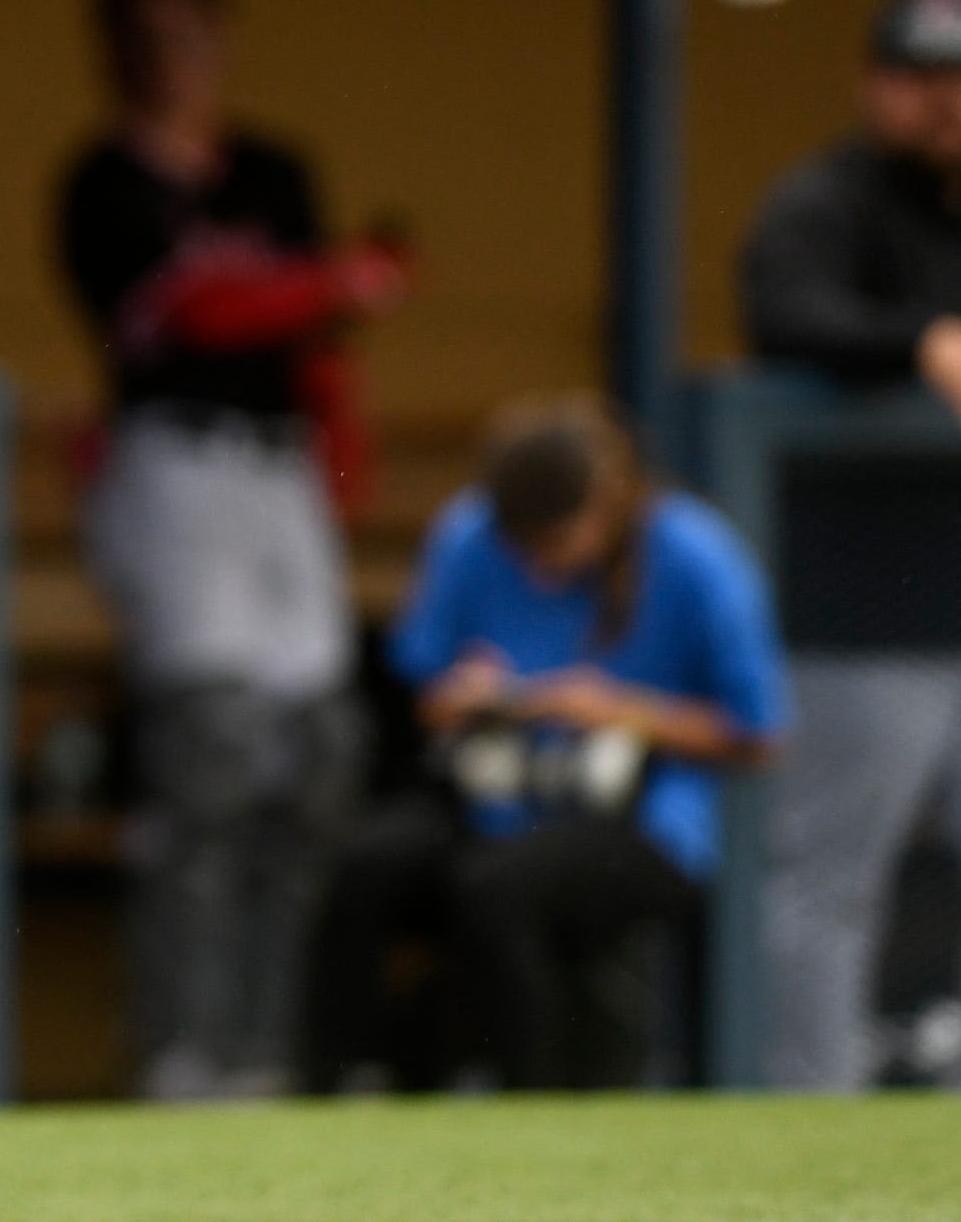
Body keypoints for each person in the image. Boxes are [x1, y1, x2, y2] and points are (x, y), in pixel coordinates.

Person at [52, 0, 405, 1100]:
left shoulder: (271, 170)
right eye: (148, 37)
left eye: (192, 31)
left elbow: (314, 349)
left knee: (319, 757)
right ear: (115, 53)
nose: (175, 58)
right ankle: (179, 1050)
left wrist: (340, 450)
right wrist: (333, 283)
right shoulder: (98, 183)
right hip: (174, 471)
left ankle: (262, 1049)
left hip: (274, 472)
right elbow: (194, 313)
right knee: (204, 761)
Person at [307, 395, 787, 1090]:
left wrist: (618, 710)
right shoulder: (468, 531)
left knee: (497, 889)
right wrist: (468, 696)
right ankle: (340, 1084)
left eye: (554, 544)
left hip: (642, 816)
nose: (535, 569)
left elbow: (760, 734)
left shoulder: (694, 554)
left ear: (607, 505)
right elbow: (426, 684)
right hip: (490, 793)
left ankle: (530, 1097)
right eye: (518, 546)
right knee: (365, 866)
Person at [742, 0, 961, 1091]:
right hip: (861, 608)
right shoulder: (823, 199)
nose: (940, 102)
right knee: (829, 877)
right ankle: (811, 1109)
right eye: (915, 77)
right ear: (871, 85)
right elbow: (782, 312)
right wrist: (921, 340)